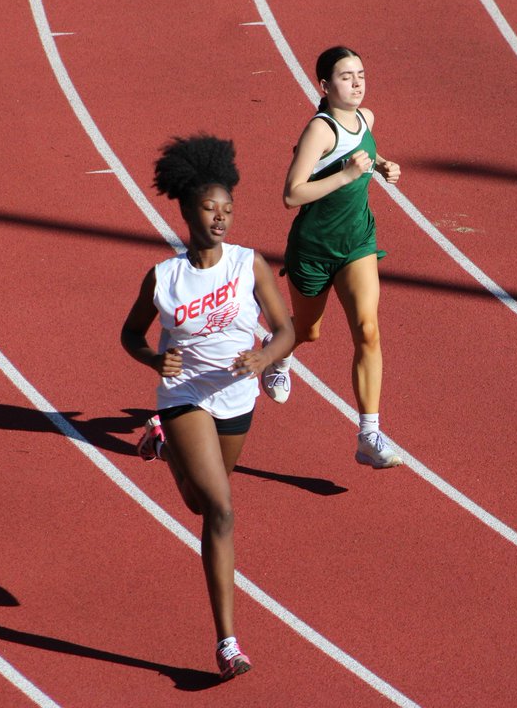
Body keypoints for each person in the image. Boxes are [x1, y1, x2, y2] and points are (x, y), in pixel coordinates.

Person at [120, 134, 294, 681]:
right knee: (221, 511)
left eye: (228, 210)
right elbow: (129, 335)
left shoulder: (249, 265)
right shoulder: (165, 278)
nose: (221, 218)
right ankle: (228, 642)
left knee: (199, 505)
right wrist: (154, 361)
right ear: (187, 210)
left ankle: (164, 445)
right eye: (210, 209)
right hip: (186, 396)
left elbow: (287, 331)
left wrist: (264, 356)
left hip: (237, 397)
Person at [260, 46, 403, 469]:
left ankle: (369, 435)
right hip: (314, 251)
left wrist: (381, 165)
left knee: (368, 329)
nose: (357, 83)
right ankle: (279, 352)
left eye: (361, 73)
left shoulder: (367, 118)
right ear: (325, 86)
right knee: (307, 332)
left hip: (358, 241)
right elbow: (291, 194)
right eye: (346, 76)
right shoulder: (319, 131)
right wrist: (347, 174)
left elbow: (362, 151)